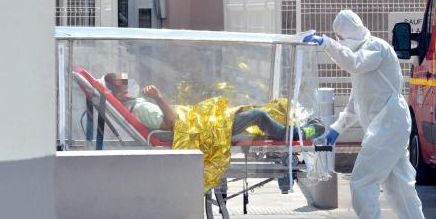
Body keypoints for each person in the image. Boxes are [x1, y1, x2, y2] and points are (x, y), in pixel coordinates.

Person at [303, 10, 427, 219]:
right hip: (388, 126)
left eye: (339, 36)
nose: (339, 41)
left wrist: (327, 44)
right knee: (400, 188)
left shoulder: (375, 48)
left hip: (389, 125)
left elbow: (354, 63)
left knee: (362, 181)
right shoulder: (363, 56)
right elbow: (355, 102)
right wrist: (336, 129)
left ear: (346, 34)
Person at [103, 72, 324, 140]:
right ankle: (306, 131)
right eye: (123, 81)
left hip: (202, 123)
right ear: (120, 94)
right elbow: (173, 124)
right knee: (258, 115)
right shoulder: (142, 108)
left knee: (253, 110)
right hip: (204, 131)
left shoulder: (137, 105)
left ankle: (300, 122)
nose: (129, 80)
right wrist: (159, 97)